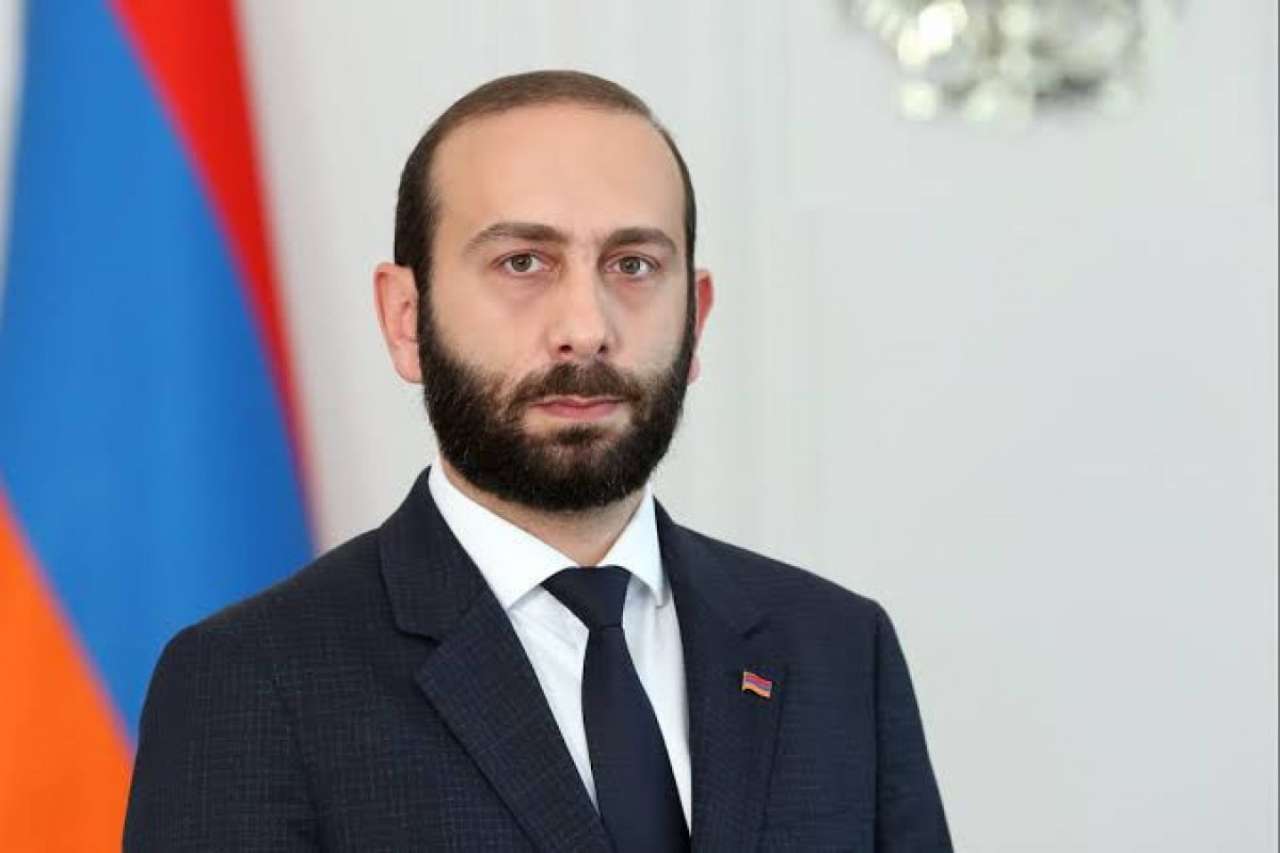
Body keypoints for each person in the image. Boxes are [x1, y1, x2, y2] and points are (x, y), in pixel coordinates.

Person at [123, 70, 952, 852]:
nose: (585, 328)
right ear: (406, 318)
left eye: (633, 265)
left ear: (696, 316)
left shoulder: (840, 650)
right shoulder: (251, 679)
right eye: (523, 262)